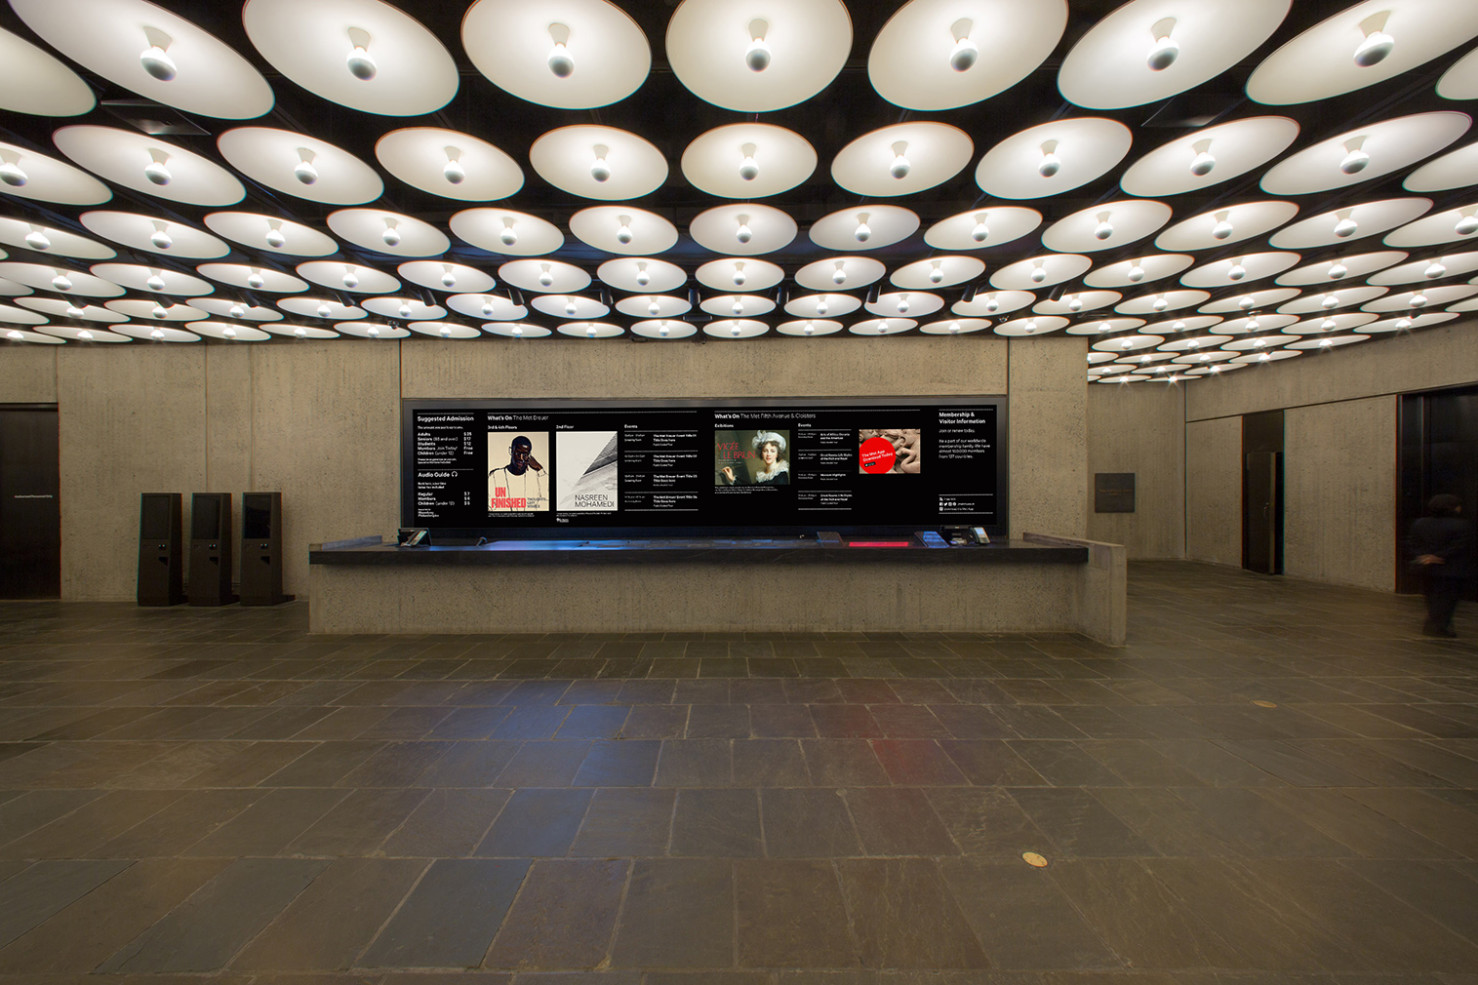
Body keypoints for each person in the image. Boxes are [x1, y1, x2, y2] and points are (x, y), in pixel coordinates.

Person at [1409, 493, 1473, 637]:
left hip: (1426, 567)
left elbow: (1412, 542)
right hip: (1451, 568)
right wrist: (1439, 556)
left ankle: (1434, 624)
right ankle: (1438, 626)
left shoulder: (1420, 523)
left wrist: (1424, 556)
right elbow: (1460, 546)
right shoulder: (1462, 525)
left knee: (1431, 597)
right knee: (1447, 598)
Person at [489, 435, 547, 510]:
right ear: (511, 451)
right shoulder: (495, 476)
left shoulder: (535, 478)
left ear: (529, 456)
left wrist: (540, 469)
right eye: (518, 453)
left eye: (525, 454)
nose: (520, 458)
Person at [720, 431, 789, 485]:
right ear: (761, 453)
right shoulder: (763, 474)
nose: (768, 454)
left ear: (777, 454)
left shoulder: (781, 476)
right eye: (765, 451)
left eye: (772, 451)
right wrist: (732, 479)